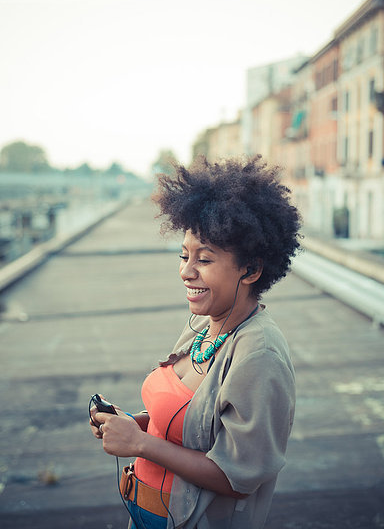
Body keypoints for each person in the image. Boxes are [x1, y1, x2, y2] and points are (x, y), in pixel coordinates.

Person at [90, 155, 302, 529]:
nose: (186, 272)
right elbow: (192, 430)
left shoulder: (259, 355)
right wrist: (134, 425)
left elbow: (237, 477)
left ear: (250, 269)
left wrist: (141, 445)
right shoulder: (202, 325)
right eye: (184, 255)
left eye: (204, 259)